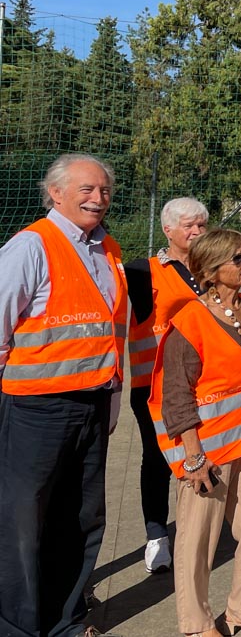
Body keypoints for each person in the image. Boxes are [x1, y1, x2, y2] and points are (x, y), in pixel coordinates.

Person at [125, 198, 241, 575]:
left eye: (202, 224)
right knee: (160, 460)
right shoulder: (143, 272)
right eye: (189, 226)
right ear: (168, 230)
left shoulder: (219, 267)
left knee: (232, 461)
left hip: (221, 386)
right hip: (159, 386)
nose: (197, 231)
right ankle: (158, 535)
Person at [0, 154, 127, 637]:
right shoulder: (31, 247)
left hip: (92, 405)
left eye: (105, 190)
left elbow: (108, 330)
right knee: (22, 524)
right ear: (55, 193)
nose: (99, 198)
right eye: (87, 189)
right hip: (36, 408)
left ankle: (65, 621)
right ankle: (17, 627)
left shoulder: (108, 248)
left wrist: (112, 398)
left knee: (82, 517)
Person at [149, 229, 241, 637]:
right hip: (205, 450)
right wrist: (193, 456)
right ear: (210, 271)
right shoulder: (189, 320)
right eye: (236, 259)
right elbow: (175, 395)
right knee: (197, 542)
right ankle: (196, 625)